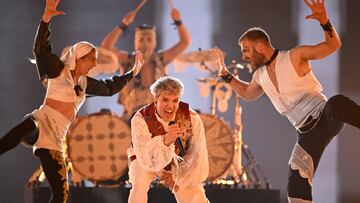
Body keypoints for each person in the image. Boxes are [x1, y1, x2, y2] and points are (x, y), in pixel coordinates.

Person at [213, 0, 360, 202]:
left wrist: (325, 21)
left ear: (259, 45)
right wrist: (226, 75)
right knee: (296, 183)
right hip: (306, 133)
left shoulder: (295, 56)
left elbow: (332, 45)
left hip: (324, 116)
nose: (244, 56)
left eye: (245, 49)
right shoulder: (260, 76)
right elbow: (247, 93)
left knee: (337, 103)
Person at [0, 0, 144, 202]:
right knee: (24, 128)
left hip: (54, 140)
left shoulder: (85, 84)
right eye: (91, 60)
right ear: (79, 58)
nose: (94, 65)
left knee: (61, 195)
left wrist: (132, 73)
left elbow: (110, 87)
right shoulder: (58, 71)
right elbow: (40, 49)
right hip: (41, 122)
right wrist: (46, 18)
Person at [127, 76, 209, 203]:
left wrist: (177, 176)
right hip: (145, 160)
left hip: (180, 164)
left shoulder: (192, 117)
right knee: (140, 182)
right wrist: (166, 140)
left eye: (175, 101)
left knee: (197, 196)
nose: (170, 106)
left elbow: (197, 155)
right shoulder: (140, 119)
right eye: (165, 100)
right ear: (155, 101)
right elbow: (144, 157)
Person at [100, 6, 191, 121]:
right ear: (135, 42)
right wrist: (123, 24)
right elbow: (105, 47)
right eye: (141, 39)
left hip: (158, 114)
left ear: (154, 42)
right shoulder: (126, 60)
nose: (145, 43)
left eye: (149, 39)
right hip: (132, 114)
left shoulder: (162, 59)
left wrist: (178, 22)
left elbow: (185, 42)